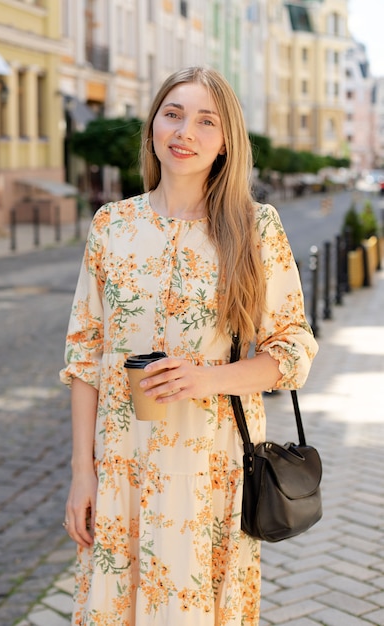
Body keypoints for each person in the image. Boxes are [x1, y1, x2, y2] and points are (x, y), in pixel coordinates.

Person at [60, 66, 318, 626]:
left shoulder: (254, 226)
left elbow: (294, 349)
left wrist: (208, 379)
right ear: (153, 123)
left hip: (211, 463)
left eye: (206, 120)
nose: (185, 131)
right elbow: (84, 358)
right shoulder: (111, 225)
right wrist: (84, 472)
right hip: (120, 465)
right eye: (173, 113)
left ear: (227, 141)